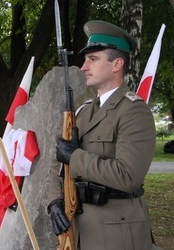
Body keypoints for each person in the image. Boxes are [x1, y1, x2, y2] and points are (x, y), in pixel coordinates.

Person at [47, 20, 157, 249]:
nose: (84, 67)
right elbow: (57, 163)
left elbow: (127, 176)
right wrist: (54, 201)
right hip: (79, 227)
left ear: (117, 64)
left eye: (93, 59)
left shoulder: (134, 111)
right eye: (85, 60)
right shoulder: (82, 111)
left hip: (117, 230)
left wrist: (74, 156)